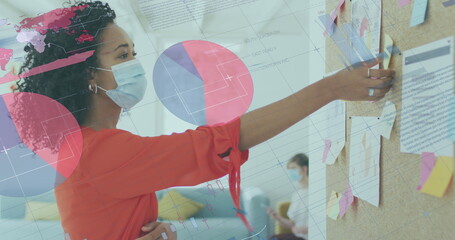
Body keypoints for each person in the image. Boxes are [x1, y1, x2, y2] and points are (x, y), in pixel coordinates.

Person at [14, 1, 395, 239]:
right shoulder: (99, 152)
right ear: (90, 76)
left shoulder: (79, 148)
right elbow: (220, 141)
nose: (135, 65)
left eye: (133, 52)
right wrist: (329, 89)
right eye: (122, 55)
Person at [267, 154, 309, 240]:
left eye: (293, 168)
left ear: (304, 169)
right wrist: (278, 218)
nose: (291, 172)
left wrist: (306, 229)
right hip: (297, 236)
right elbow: (292, 223)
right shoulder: (297, 194)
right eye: (289, 170)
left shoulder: (314, 193)